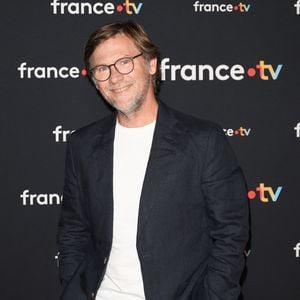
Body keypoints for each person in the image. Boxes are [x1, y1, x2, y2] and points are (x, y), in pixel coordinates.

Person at [57, 20, 249, 300]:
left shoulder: (203, 140)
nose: (113, 77)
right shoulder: (82, 145)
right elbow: (73, 230)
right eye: (101, 69)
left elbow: (231, 233)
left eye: (124, 62)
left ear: (151, 64)